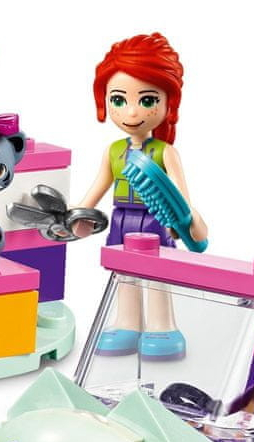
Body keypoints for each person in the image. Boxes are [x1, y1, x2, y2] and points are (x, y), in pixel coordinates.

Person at [77, 32, 208, 360]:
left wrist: (190, 222)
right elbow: (97, 187)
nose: (132, 112)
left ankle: (163, 326)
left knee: (157, 276)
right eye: (119, 100)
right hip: (121, 220)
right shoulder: (114, 151)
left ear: (168, 103)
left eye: (147, 100)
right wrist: (79, 213)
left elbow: (180, 196)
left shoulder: (165, 153)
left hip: (156, 221)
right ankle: (127, 323)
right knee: (124, 275)